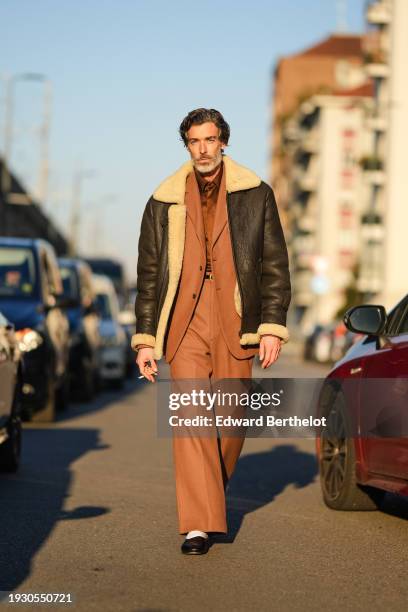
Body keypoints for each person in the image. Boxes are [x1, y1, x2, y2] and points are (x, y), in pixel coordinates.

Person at [132, 108, 291, 555]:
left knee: (231, 418)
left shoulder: (255, 194)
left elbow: (274, 264)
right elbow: (149, 276)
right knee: (191, 417)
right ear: (186, 145)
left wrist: (272, 326)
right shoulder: (162, 201)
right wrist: (146, 339)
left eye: (210, 139)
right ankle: (198, 526)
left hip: (236, 318)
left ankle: (208, 493)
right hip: (182, 320)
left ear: (224, 141)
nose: (202, 149)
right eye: (194, 141)